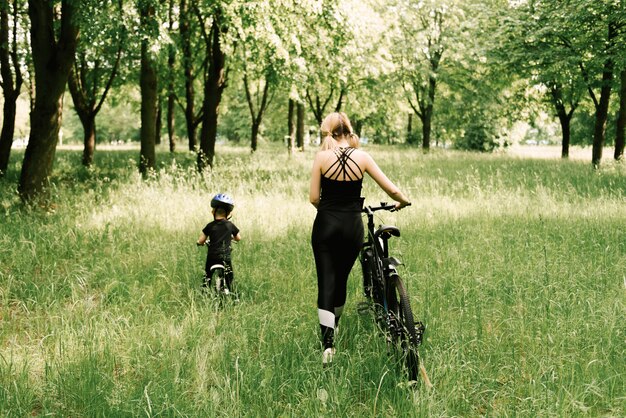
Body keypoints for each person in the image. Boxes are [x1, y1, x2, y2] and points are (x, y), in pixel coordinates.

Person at [309, 112, 411, 365]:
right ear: (349, 131)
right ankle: (337, 323)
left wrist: (330, 208)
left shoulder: (321, 157)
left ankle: (328, 345)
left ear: (330, 133)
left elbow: (313, 198)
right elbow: (392, 189)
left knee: (326, 281)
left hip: (325, 224)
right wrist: (403, 201)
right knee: (341, 279)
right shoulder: (363, 157)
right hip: (352, 225)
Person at [197, 193, 241, 294]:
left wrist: (199, 243)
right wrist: (231, 237)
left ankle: (204, 291)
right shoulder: (230, 225)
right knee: (230, 277)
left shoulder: (209, 226)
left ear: (213, 212)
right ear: (228, 213)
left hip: (212, 257)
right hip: (225, 257)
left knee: (207, 274)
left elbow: (201, 240)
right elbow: (238, 238)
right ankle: (233, 296)